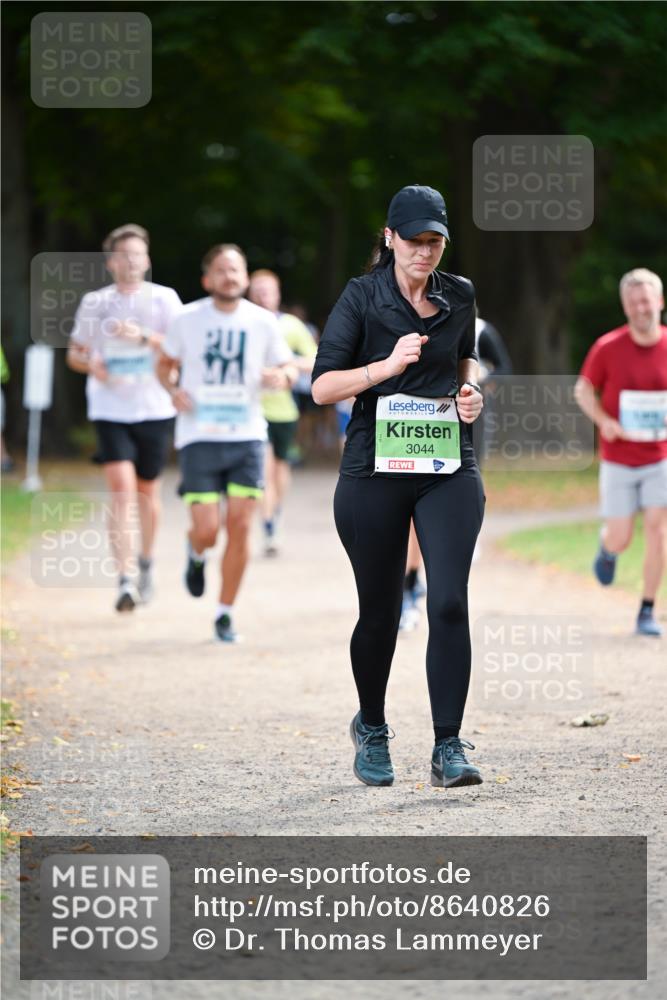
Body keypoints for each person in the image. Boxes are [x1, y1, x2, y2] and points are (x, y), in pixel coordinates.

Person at [311, 184, 485, 789]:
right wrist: (386, 368)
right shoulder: (361, 297)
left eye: (435, 241)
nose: (425, 252)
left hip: (446, 469)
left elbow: (466, 358)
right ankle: (374, 728)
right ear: (389, 239)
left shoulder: (458, 294)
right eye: (414, 241)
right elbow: (322, 387)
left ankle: (448, 746)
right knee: (380, 613)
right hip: (373, 473)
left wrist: (470, 391)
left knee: (449, 602)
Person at [158, 245, 297, 642]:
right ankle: (196, 551)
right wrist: (171, 390)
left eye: (235, 269)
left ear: (246, 276)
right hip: (199, 436)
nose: (229, 276)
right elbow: (164, 364)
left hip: (247, 436)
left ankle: (224, 612)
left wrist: (281, 377)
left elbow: (288, 366)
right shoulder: (186, 319)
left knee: (239, 526)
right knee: (207, 530)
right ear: (207, 280)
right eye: (221, 270)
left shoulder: (263, 322)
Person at [66, 224, 182, 612]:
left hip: (153, 407)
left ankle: (146, 563)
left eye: (138, 254)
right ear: (111, 262)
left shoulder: (165, 300)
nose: (131, 261)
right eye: (124, 255)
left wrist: (143, 336)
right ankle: (124, 578)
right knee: (120, 490)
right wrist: (91, 365)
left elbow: (182, 350)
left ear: (147, 260)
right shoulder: (95, 302)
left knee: (148, 493)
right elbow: (75, 354)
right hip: (109, 406)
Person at [575, 268, 667, 637]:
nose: (640, 309)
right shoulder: (608, 347)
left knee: (659, 529)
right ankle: (608, 548)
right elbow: (582, 390)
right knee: (621, 536)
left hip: (660, 456)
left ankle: (647, 609)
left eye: (645, 301)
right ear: (625, 309)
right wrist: (603, 421)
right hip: (618, 458)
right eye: (632, 304)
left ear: (659, 302)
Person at [247, 270, 317, 556]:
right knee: (263, 470)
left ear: (278, 293)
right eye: (258, 290)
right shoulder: (244, 321)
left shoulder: (291, 325)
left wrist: (286, 366)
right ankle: (268, 527)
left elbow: (316, 359)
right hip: (252, 409)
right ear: (250, 293)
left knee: (280, 469)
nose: (263, 295)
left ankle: (275, 513)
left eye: (268, 290)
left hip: (284, 410)